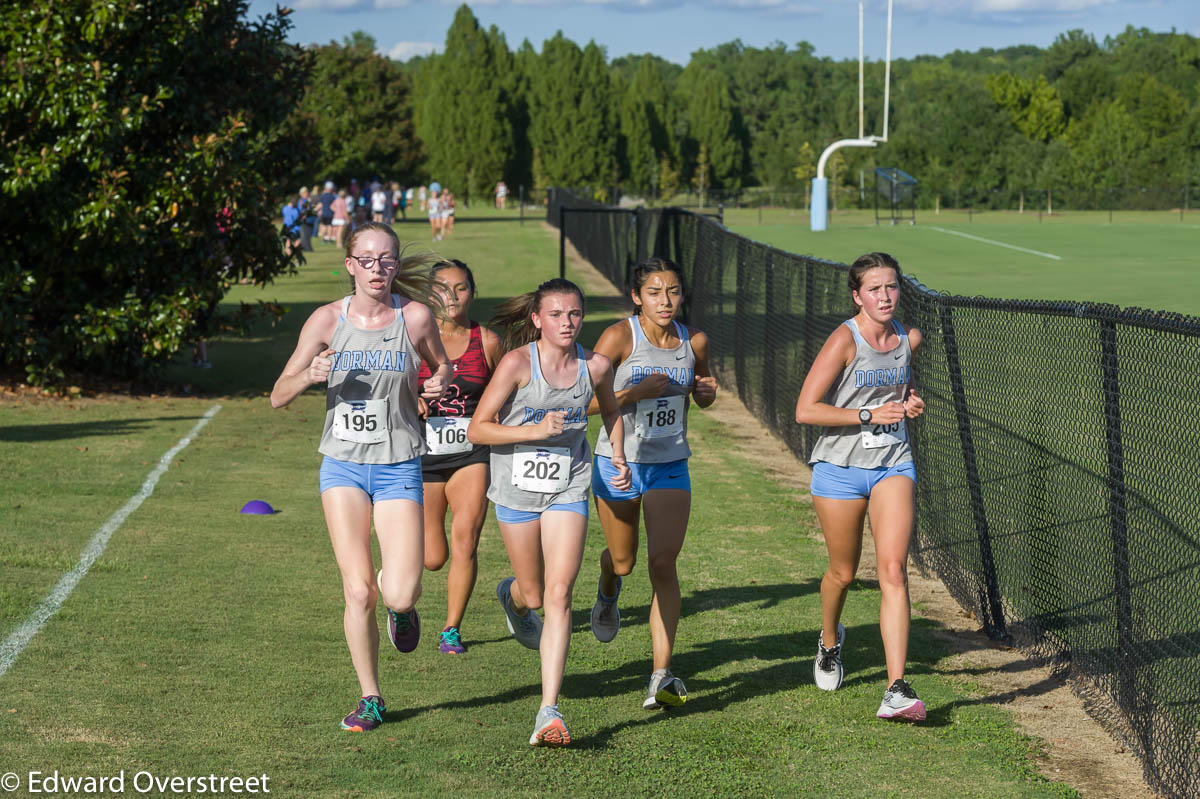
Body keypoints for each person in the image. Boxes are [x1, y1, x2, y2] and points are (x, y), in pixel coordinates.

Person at [270, 222, 453, 732]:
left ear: (396, 264)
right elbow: (277, 394)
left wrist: (439, 380)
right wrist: (310, 376)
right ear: (350, 265)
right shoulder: (327, 321)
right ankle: (371, 696)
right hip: (344, 466)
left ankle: (402, 611)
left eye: (387, 259)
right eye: (367, 260)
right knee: (357, 592)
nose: (378, 269)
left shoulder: (414, 317)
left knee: (398, 591)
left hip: (397, 464)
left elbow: (444, 367)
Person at [468, 278, 631, 748]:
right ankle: (512, 597)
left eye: (575, 314)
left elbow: (613, 412)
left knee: (560, 595)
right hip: (516, 490)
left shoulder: (596, 365)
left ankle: (549, 710)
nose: (567, 322)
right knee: (535, 594)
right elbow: (479, 429)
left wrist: (615, 457)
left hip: (569, 486)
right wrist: (534, 432)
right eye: (556, 314)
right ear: (537, 319)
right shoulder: (519, 364)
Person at [794, 251, 927, 722]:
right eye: (875, 289)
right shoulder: (843, 341)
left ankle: (896, 687)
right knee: (843, 573)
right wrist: (867, 415)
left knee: (893, 570)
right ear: (857, 296)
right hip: (840, 469)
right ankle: (829, 640)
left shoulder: (909, 338)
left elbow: (899, 392)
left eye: (891, 286)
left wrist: (909, 404)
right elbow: (806, 409)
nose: (885, 296)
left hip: (894, 463)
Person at [586, 257, 717, 710]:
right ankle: (608, 585)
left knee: (663, 563)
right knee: (624, 562)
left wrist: (705, 394)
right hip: (619, 462)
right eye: (656, 293)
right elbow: (583, 403)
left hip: (669, 464)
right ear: (637, 297)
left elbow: (702, 391)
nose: (666, 301)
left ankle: (662, 672)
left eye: (674, 292)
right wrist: (632, 394)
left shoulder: (692, 340)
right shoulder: (620, 337)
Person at [418, 260, 503, 655]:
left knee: (466, 539)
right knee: (432, 558)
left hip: (471, 454)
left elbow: (505, 391)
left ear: (473, 291)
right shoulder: (412, 338)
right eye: (443, 288)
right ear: (429, 292)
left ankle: (451, 629)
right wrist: (412, 401)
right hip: (421, 456)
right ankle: (398, 597)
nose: (452, 296)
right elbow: (389, 390)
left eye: (461, 287)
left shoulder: (486, 341)